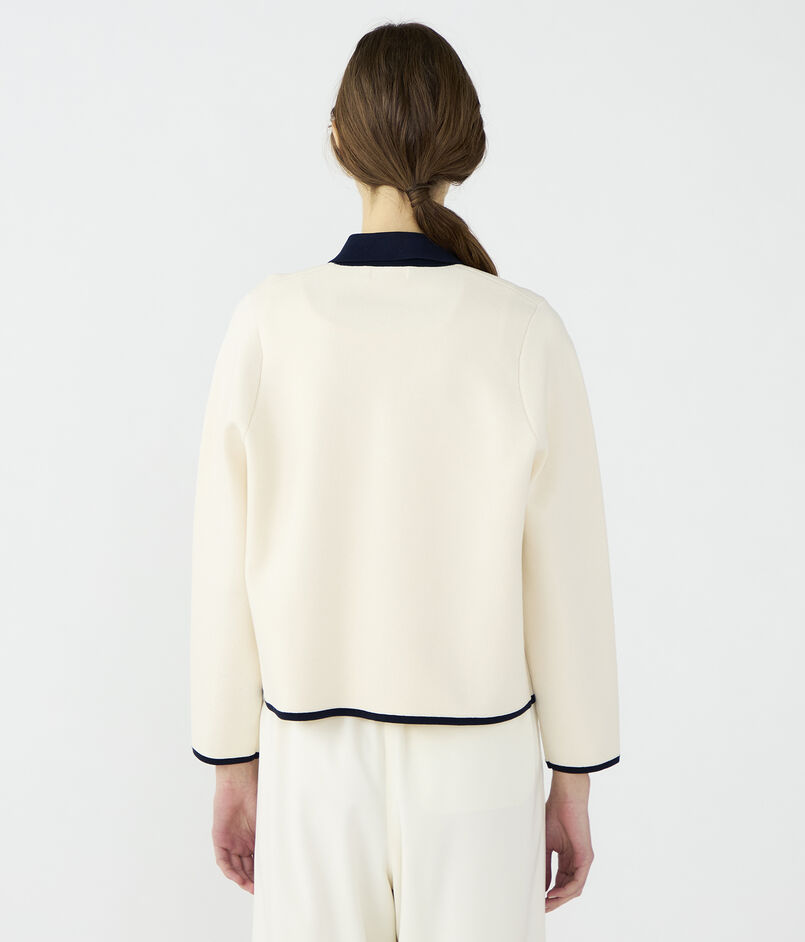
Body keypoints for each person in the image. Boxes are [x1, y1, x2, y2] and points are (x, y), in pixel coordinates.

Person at [189, 21, 620, 942]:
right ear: (467, 145)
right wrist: (573, 780)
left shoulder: (267, 322)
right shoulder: (524, 332)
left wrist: (232, 762)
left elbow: (224, 564)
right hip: (480, 764)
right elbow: (568, 576)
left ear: (337, 138)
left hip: (311, 760)